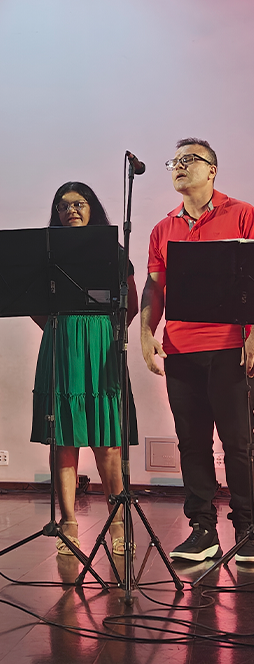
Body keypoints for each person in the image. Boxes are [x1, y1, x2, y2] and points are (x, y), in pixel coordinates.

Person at [141, 138, 254, 562]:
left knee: (239, 443)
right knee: (192, 443)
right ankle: (202, 529)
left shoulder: (243, 214)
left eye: (190, 159)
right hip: (181, 350)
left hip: (230, 347)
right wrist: (146, 332)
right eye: (175, 161)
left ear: (212, 170)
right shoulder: (162, 228)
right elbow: (155, 286)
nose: (180, 166)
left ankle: (248, 529)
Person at [31, 182, 138, 556]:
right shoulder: (46, 254)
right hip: (61, 344)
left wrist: (101, 332)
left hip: (100, 343)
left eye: (79, 203)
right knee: (63, 438)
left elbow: (130, 303)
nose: (71, 210)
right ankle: (68, 524)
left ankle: (118, 522)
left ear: (93, 208)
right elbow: (32, 302)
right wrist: (61, 328)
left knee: (107, 438)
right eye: (62, 206)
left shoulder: (113, 251)